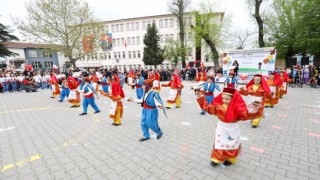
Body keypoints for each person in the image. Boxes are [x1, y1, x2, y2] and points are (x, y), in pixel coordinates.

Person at [196, 85, 263, 167]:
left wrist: (256, 109)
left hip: (233, 128)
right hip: (221, 128)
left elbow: (248, 116)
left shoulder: (238, 110)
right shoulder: (218, 107)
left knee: (232, 144)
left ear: (233, 98)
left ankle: (231, 159)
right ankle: (216, 159)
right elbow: (207, 107)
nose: (224, 100)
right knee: (219, 143)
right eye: (223, 98)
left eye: (227, 99)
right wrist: (199, 96)